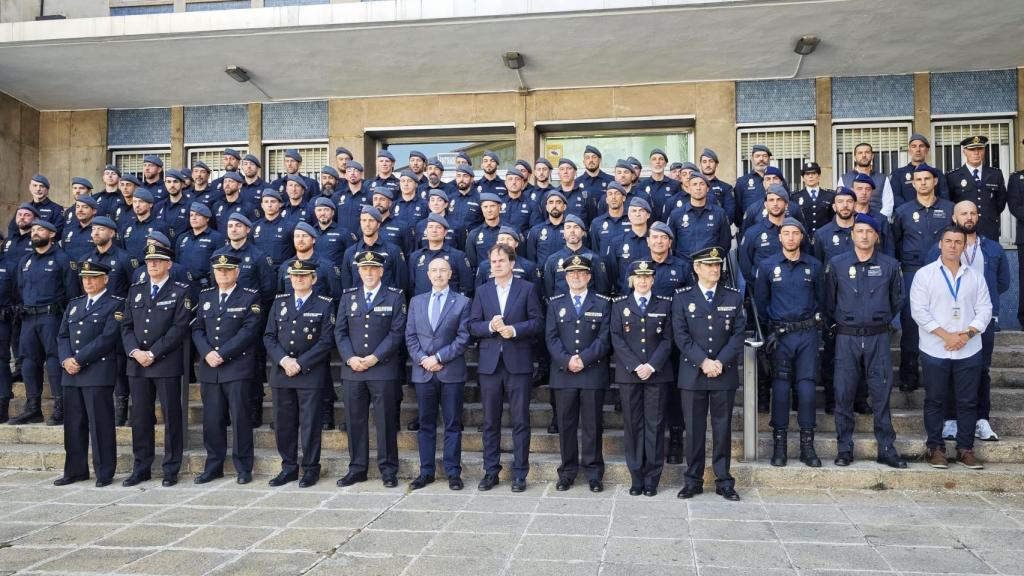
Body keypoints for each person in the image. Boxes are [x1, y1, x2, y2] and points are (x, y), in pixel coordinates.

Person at [824, 213, 907, 469]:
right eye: (859, 231)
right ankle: (844, 449)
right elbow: (828, 301)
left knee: (881, 394)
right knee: (844, 393)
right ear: (852, 235)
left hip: (877, 337)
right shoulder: (837, 264)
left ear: (876, 237)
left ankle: (886, 448)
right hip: (847, 337)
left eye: (869, 232)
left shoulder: (890, 265)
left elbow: (897, 300)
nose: (864, 235)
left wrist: (877, 317)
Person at [926, 201, 1010, 442]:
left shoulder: (993, 248)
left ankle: (981, 420)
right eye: (963, 213)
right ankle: (951, 420)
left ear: (978, 216)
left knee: (981, 369)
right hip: (948, 323)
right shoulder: (940, 248)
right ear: (954, 217)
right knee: (951, 370)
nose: (969, 217)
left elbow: (1003, 282)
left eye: (973, 213)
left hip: (982, 321)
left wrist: (980, 305)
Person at [911, 226, 991, 470]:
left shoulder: (975, 276)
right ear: (940, 244)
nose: (953, 246)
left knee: (967, 401)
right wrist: (946, 335)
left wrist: (966, 335)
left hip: (969, 349)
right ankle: (935, 448)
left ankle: (965, 449)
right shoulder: (925, 275)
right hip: (935, 348)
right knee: (935, 400)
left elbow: (985, 310)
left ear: (964, 246)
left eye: (958, 242)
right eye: (948, 241)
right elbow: (919, 311)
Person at [469, 244, 544, 492]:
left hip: (518, 364)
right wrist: (490, 327)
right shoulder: (482, 291)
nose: (497, 265)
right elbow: (473, 325)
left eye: (501, 260)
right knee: (490, 421)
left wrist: (514, 330)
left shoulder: (527, 288)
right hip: (490, 366)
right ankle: (491, 471)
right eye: (493, 261)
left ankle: (520, 473)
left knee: (521, 421)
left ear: (512, 263)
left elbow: (538, 322)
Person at [672, 246, 745, 501]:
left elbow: (738, 335)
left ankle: (724, 481)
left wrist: (720, 362)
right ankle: (693, 480)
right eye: (709, 265)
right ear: (697, 268)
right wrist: (703, 362)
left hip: (723, 373)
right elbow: (681, 336)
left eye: (717, 265)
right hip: (693, 373)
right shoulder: (682, 297)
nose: (715, 269)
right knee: (694, 430)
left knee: (722, 429)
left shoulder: (733, 296)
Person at [754, 218, 824, 468]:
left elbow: (822, 299)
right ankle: (779, 446)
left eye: (795, 233)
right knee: (781, 390)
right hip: (780, 336)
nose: (791, 237)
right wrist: (768, 333)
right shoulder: (767, 266)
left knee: (806, 390)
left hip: (807, 334)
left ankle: (807, 446)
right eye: (786, 233)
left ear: (802, 237)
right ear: (780, 237)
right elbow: (761, 303)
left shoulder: (814, 266)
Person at [120, 243, 192, 487]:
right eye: (149, 261)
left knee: (171, 417)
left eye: (157, 261)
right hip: (138, 364)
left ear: (168, 264)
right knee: (140, 418)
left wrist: (153, 353)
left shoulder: (180, 291)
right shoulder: (136, 290)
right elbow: (126, 326)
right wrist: (135, 352)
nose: (152, 264)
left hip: (165, 363)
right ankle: (141, 468)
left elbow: (179, 328)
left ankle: (171, 468)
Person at [335, 251, 407, 489]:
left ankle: (388, 469)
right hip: (353, 369)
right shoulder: (348, 296)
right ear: (359, 271)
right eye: (364, 269)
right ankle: (357, 469)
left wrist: (375, 357)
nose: (368, 273)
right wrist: (350, 358)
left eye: (373, 268)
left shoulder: (395, 297)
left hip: (382, 369)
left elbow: (396, 332)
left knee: (385, 421)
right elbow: (340, 332)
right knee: (355, 421)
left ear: (381, 271)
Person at [191, 254, 263, 485]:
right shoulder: (206, 296)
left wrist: (222, 353)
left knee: (241, 419)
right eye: (219, 270)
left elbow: (249, 331)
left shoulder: (250, 296)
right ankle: (214, 466)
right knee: (212, 421)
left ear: (237, 272)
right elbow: (197, 328)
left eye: (228, 270)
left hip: (237, 367)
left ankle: (243, 468)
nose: (223, 273)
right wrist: (207, 352)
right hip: (210, 369)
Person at [264, 260, 335, 488]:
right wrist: (284, 360)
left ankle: (311, 468)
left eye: (303, 276)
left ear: (314, 279)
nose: (298, 279)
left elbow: (326, 341)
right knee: (284, 424)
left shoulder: (324, 304)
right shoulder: (279, 303)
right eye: (295, 276)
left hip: (310, 374)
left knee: (310, 424)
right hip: (282, 372)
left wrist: (300, 363)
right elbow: (269, 336)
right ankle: (288, 468)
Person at [404, 256, 472, 491]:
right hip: (423, 372)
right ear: (428, 274)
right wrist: (423, 359)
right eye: (434, 270)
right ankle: (426, 472)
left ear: (450, 274)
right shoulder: (416, 301)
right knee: (426, 424)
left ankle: (453, 472)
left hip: (450, 371)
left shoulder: (462, 302)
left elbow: (463, 337)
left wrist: (439, 358)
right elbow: (410, 336)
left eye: (443, 270)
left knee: (453, 424)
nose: (439, 274)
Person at [546, 255, 611, 493]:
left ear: (589, 277)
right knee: (566, 426)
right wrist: (567, 360)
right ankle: (567, 472)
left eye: (581, 273)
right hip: (564, 374)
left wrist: (583, 359)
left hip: (592, 372)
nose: (576, 276)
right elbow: (551, 338)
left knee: (592, 426)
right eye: (572, 273)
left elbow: (605, 339)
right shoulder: (555, 303)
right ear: (565, 278)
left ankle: (594, 473)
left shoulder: (603, 303)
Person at [53, 260, 122, 487]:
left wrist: (78, 359)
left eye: (93, 277)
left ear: (105, 279)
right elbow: (62, 335)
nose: (88, 282)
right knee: (73, 426)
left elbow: (107, 338)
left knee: (100, 425)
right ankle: (75, 471)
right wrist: (65, 359)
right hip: (71, 374)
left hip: (97, 372)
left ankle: (104, 472)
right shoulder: (75, 304)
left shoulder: (115, 305)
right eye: (85, 278)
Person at [611, 260, 674, 496]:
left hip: (657, 374)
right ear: (632, 280)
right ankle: (636, 477)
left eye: (647, 277)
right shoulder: (620, 305)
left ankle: (652, 479)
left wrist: (651, 366)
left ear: (653, 280)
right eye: (639, 277)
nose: (643, 281)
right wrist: (637, 366)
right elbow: (616, 338)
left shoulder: (665, 304)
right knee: (633, 425)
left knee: (655, 426)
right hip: (630, 374)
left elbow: (668, 339)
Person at [891, 164, 954, 392]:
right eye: (918, 179)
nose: (923, 183)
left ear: (935, 181)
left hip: (943, 271)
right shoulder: (903, 211)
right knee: (911, 322)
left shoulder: (949, 209)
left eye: (927, 178)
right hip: (912, 272)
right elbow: (895, 242)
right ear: (913, 183)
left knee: (944, 319)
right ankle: (909, 375)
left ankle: (941, 376)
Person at [10, 220, 79, 426]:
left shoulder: (63, 259)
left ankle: (60, 408)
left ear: (52, 234)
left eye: (40, 230)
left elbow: (72, 293)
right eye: (33, 230)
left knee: (55, 361)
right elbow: (19, 289)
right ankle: (33, 408)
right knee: (29, 362)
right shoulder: (26, 261)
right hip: (28, 319)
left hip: (52, 317)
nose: (35, 233)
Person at [947, 135, 1006, 241]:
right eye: (972, 149)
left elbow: (1000, 202)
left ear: (984, 151)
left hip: (989, 229)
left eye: (980, 149)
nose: (976, 153)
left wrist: (989, 215)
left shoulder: (995, 174)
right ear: (964, 152)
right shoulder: (953, 176)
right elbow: (950, 204)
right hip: (963, 230)